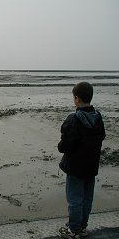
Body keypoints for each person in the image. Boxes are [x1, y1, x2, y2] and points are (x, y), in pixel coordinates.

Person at [57, 82, 106, 239]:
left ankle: (74, 229)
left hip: (75, 167)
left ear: (77, 99)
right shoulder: (97, 118)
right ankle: (82, 226)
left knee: (74, 199)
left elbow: (65, 144)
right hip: (91, 166)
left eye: (74, 97)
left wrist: (61, 146)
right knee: (86, 198)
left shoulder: (74, 119)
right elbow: (101, 137)